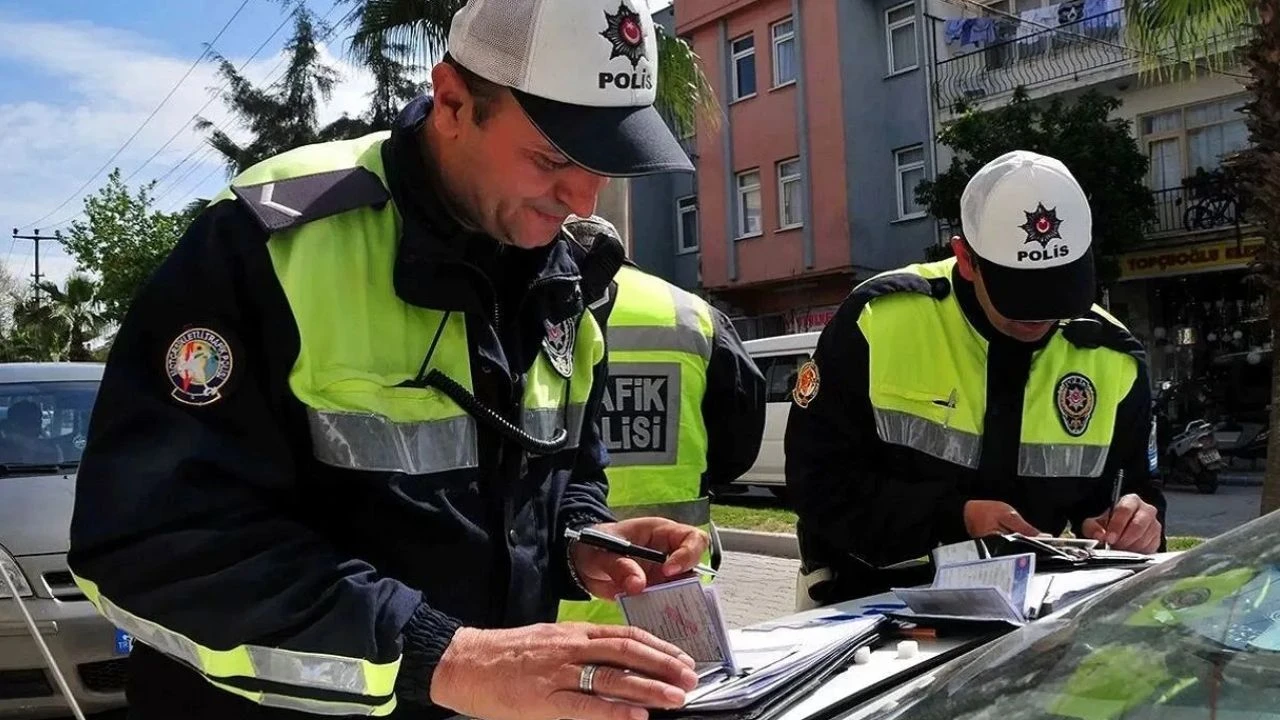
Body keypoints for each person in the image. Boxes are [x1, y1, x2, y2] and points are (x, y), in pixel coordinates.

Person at [65, 2, 716, 719]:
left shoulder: (564, 274)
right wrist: (444, 656)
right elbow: (151, 542)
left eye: (603, 163)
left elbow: (562, 472)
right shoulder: (271, 242)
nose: (582, 196)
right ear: (452, 101)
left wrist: (581, 540)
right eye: (552, 156)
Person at [785, 150, 1168, 608]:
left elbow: (1135, 491)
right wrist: (956, 517)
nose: (1042, 316)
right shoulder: (877, 321)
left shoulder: (1113, 356)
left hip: (1031, 614)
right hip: (867, 602)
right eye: (1022, 294)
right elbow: (816, 484)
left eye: (1060, 290)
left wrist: (1134, 522)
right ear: (966, 258)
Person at [556, 214, 767, 625]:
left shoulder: (533, 308)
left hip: (559, 598)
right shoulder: (694, 314)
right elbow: (738, 446)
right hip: (669, 590)